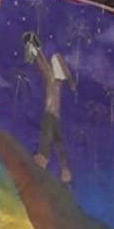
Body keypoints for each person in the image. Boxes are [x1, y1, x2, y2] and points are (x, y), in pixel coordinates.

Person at [22, 30, 76, 183]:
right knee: (48, 144)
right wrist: (35, 48)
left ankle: (61, 169)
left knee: (58, 144)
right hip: (50, 115)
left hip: (54, 118)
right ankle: (41, 163)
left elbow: (62, 69)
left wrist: (71, 82)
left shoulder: (58, 83)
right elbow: (45, 66)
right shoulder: (52, 79)